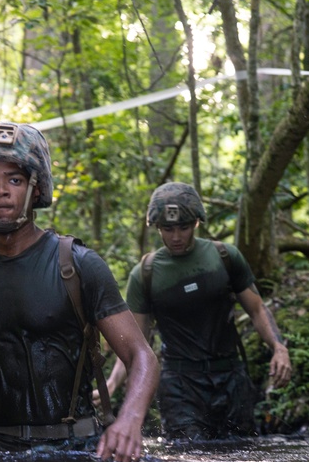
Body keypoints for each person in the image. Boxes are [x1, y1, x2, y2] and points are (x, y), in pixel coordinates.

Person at [0, 121, 158, 462]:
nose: (0, 190)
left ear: (35, 189)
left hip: (77, 451)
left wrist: (130, 419)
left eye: (14, 179)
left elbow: (142, 357)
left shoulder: (78, 265)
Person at [103, 182, 291, 440]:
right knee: (188, 458)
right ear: (158, 228)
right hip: (180, 385)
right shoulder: (145, 274)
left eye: (183, 227)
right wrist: (113, 382)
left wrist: (278, 348)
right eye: (168, 229)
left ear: (196, 224)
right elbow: (137, 342)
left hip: (230, 378)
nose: (176, 236)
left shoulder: (225, 257)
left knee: (243, 452)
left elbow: (257, 309)